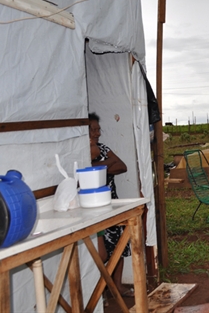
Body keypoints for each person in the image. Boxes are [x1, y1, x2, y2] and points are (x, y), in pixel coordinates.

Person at [88, 113, 134, 296]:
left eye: (99, 129)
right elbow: (87, 171)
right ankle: (101, 289)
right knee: (101, 254)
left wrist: (98, 166)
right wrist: (107, 165)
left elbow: (122, 166)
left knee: (118, 247)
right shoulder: (78, 151)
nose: (98, 133)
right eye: (94, 130)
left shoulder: (103, 149)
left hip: (111, 203)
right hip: (93, 208)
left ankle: (117, 287)